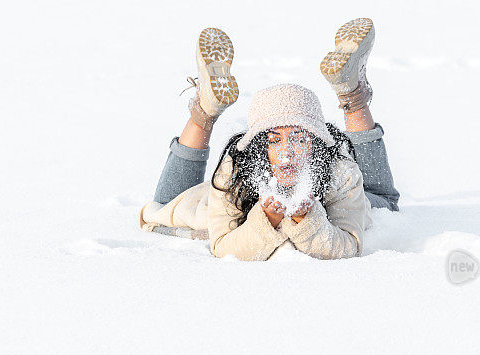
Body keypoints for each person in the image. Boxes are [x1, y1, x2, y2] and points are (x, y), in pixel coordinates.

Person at [139, 18, 400, 261]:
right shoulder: (233, 174)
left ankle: (204, 113)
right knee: (163, 207)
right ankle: (352, 96)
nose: (286, 153)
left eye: (299, 139)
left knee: (381, 201)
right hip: (227, 202)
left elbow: (349, 245)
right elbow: (222, 246)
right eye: (274, 141)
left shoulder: (340, 172)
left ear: (317, 143)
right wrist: (267, 219)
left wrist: (306, 221)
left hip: (337, 194)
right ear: (258, 147)